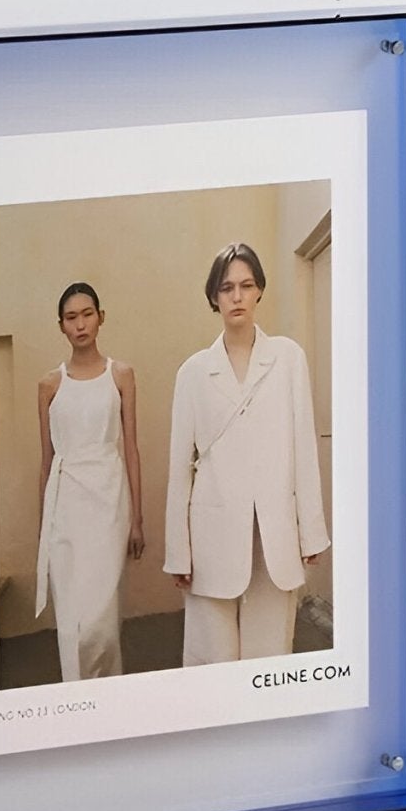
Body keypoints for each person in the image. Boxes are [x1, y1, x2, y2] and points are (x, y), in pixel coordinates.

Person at [164, 242, 329, 666]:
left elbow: (303, 448)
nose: (237, 296)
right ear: (214, 297)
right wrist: (178, 551)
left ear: (259, 291)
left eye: (246, 285)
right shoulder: (193, 372)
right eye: (226, 288)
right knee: (212, 663)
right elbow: (180, 469)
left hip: (273, 533)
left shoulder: (288, 358)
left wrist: (309, 530)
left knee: (269, 659)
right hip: (211, 531)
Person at [34, 282, 144, 681]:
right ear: (61, 326)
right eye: (70, 317)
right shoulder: (50, 384)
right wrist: (41, 528)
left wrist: (137, 520)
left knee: (101, 623)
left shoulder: (122, 375)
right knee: (72, 624)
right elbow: (46, 460)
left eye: (87, 314)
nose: (80, 324)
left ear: (101, 317)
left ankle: (107, 700)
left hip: (109, 503)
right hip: (64, 508)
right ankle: (74, 700)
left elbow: (131, 448)